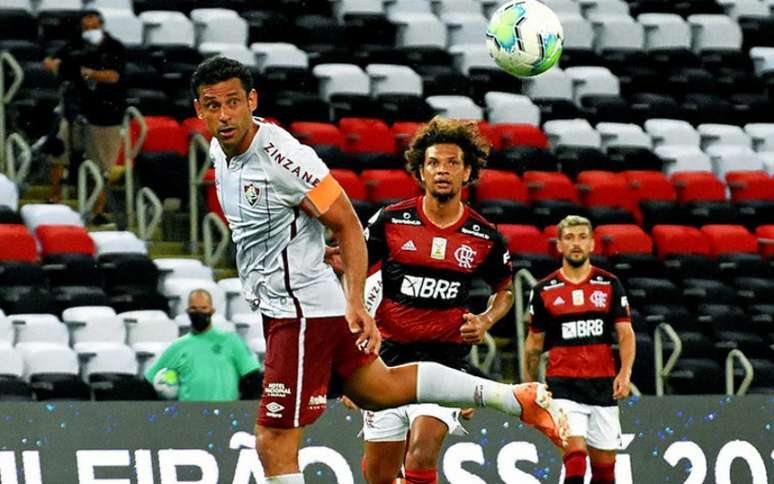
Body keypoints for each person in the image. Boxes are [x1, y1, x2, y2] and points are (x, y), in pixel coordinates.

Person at [191, 56, 568, 484]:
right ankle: (515, 398)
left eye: (233, 102)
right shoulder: (219, 150)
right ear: (199, 110)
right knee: (379, 390)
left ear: (252, 101)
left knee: (273, 442)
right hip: (291, 305)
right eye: (213, 105)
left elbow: (348, 224)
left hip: (302, 312)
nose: (225, 115)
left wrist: (355, 302)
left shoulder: (282, 157)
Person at [350, 117, 517, 484]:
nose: (442, 171)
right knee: (378, 475)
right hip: (388, 359)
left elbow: (504, 291)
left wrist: (485, 321)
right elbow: (354, 277)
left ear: (467, 170)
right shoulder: (391, 221)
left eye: (452, 163)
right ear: (420, 171)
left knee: (423, 451)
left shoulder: (484, 236)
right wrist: (352, 367)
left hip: (444, 360)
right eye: (434, 163)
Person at [523, 215, 636, 484]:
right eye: (570, 238)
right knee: (575, 456)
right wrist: (530, 384)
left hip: (602, 386)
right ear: (559, 245)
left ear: (592, 244)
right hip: (563, 386)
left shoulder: (609, 284)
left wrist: (625, 373)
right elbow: (533, 345)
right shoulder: (544, 290)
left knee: (605, 470)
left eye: (582, 237)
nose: (576, 244)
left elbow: (626, 335)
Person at [42, 9, 126, 224]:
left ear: (101, 24)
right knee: (58, 146)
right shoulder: (74, 46)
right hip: (75, 107)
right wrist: (59, 67)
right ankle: (55, 194)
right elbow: (51, 62)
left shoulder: (114, 47)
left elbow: (113, 76)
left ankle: (97, 210)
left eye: (94, 24)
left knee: (103, 165)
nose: (90, 28)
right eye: (86, 25)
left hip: (106, 111)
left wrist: (86, 72)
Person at [144, 289, 263, 401]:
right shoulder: (177, 347)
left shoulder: (231, 341)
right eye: (194, 309)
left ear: (212, 310)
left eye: (203, 308)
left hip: (225, 415)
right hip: (190, 416)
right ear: (188, 312)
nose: (199, 312)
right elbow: (151, 380)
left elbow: (252, 378)